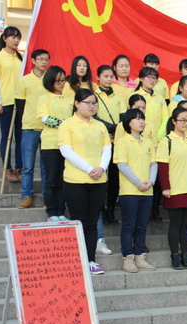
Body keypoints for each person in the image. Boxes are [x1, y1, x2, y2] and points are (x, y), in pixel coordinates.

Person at [58, 89, 111, 275]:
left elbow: (107, 149)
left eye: (94, 103)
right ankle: (78, 260)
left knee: (92, 221)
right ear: (76, 104)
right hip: (76, 180)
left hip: (99, 180)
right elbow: (66, 151)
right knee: (79, 221)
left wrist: (101, 168)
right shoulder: (67, 124)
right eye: (87, 102)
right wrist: (89, 169)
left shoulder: (100, 126)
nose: (91, 106)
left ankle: (91, 260)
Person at [156, 107, 187, 269]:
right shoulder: (167, 141)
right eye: (182, 120)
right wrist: (165, 187)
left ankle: (186, 255)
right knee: (175, 224)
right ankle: (175, 256)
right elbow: (163, 166)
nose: (185, 123)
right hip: (175, 190)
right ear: (174, 121)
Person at [114, 108, 157, 273]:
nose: (141, 121)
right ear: (129, 122)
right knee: (128, 226)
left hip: (147, 191)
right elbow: (122, 165)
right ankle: (128, 258)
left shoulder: (148, 142)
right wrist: (138, 183)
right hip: (129, 191)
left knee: (142, 226)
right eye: (137, 118)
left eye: (142, 118)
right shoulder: (122, 141)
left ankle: (140, 256)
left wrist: (151, 181)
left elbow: (153, 163)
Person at [37, 66, 73, 222]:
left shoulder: (70, 99)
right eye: (58, 80)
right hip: (50, 144)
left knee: (63, 179)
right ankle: (51, 212)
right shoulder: (44, 98)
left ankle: (61, 210)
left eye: (63, 80)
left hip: (68, 144)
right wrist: (64, 123)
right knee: (51, 179)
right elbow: (45, 119)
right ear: (50, 81)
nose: (61, 83)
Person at [0, 26, 23, 182]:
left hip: (20, 101)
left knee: (20, 137)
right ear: (4, 38)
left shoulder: (21, 58)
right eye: (13, 37)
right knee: (6, 137)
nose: (16, 40)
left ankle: (19, 168)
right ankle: (7, 168)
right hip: (6, 102)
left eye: (18, 38)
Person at [15, 49, 49, 208]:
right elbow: (20, 105)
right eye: (41, 59)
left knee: (46, 167)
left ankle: (47, 197)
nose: (44, 62)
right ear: (33, 61)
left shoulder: (50, 80)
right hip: (29, 128)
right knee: (27, 166)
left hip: (48, 129)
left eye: (46, 59)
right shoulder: (24, 81)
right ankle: (27, 195)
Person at [94, 65, 127, 224]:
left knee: (114, 179)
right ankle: (100, 209)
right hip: (99, 143)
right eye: (105, 76)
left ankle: (111, 210)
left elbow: (123, 118)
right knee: (100, 177)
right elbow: (94, 117)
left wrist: (117, 129)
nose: (108, 79)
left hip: (115, 142)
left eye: (110, 76)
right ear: (98, 77)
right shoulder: (94, 95)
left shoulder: (118, 97)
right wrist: (112, 128)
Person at [134, 67, 169, 139]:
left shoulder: (160, 98)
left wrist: (160, 135)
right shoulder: (134, 96)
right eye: (149, 77)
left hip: (157, 136)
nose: (152, 80)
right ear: (141, 79)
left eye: (154, 78)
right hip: (139, 136)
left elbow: (165, 117)